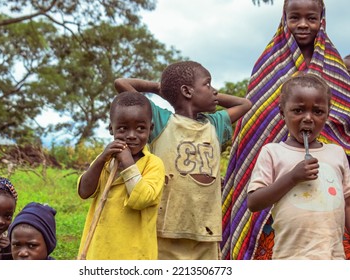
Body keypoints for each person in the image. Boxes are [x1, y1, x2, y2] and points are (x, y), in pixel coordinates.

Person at [222, 0, 350, 260]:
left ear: (322, 20)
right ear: (284, 19)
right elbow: (257, 120)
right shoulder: (268, 64)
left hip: (327, 191)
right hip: (279, 185)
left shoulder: (336, 67)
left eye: (311, 18)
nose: (303, 25)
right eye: (295, 18)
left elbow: (343, 114)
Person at [114, 61, 252, 260]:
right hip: (166, 227)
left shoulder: (214, 124)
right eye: (208, 84)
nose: (215, 91)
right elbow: (122, 84)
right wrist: (161, 89)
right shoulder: (162, 121)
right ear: (187, 91)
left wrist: (205, 95)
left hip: (206, 229)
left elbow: (244, 104)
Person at [247, 73, 350, 259]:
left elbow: (347, 203)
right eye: (298, 110)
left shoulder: (337, 153)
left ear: (328, 113)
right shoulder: (272, 152)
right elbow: (254, 202)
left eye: (318, 112)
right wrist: (292, 177)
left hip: (333, 257)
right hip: (290, 257)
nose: (308, 118)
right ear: (282, 112)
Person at [77, 91, 166, 260]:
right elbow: (84, 191)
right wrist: (101, 159)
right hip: (99, 250)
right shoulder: (105, 161)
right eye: (123, 128)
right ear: (111, 128)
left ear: (151, 128)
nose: (132, 135)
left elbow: (142, 199)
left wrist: (128, 164)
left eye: (140, 128)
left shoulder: (153, 164)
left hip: (134, 254)